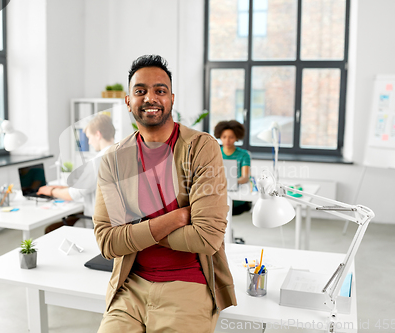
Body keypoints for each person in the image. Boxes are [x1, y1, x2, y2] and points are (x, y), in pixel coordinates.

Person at [93, 55, 236, 333]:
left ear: (171, 98)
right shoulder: (113, 159)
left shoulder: (200, 148)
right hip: (130, 287)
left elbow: (206, 238)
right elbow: (108, 242)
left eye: (159, 90)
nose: (150, 98)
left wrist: (135, 232)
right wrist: (176, 218)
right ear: (128, 101)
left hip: (187, 286)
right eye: (140, 91)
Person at [37, 114, 115, 231]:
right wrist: (62, 188)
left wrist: (50, 191)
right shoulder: (121, 153)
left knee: (50, 229)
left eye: (89, 137)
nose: (89, 142)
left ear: (98, 134)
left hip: (98, 225)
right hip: (120, 222)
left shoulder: (97, 161)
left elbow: (73, 194)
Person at [214, 120, 252, 215]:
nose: (227, 140)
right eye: (224, 137)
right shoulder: (214, 153)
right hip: (217, 192)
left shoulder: (244, 155)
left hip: (236, 196)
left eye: (231, 137)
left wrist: (232, 182)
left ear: (236, 137)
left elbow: (245, 177)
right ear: (220, 137)